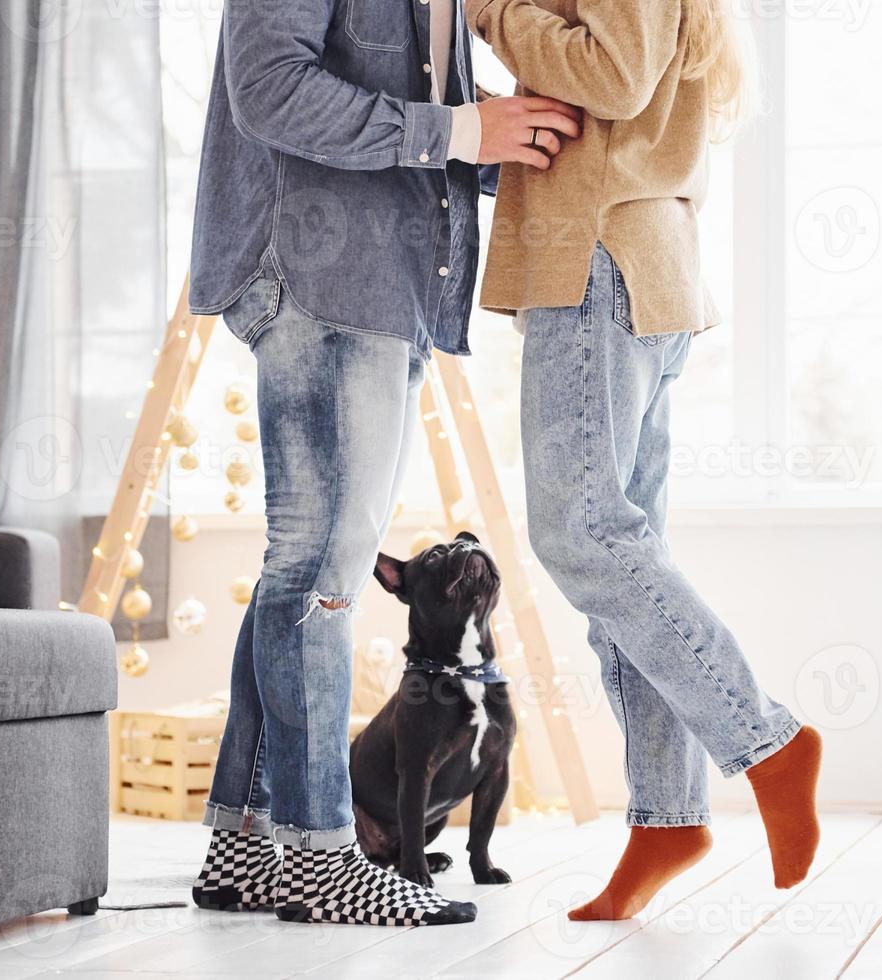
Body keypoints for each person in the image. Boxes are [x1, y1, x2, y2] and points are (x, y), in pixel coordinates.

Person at [185, 0, 581, 927]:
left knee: (301, 571)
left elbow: (415, 112)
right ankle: (320, 858)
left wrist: (493, 132)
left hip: (386, 281)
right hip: (326, 274)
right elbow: (269, 89)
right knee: (318, 575)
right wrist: (465, 128)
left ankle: (246, 846)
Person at [466, 0, 824, 919]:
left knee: (584, 538)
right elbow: (619, 79)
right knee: (625, 559)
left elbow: (616, 75)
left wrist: (491, 14)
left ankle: (765, 740)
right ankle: (666, 821)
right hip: (642, 270)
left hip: (598, 266)